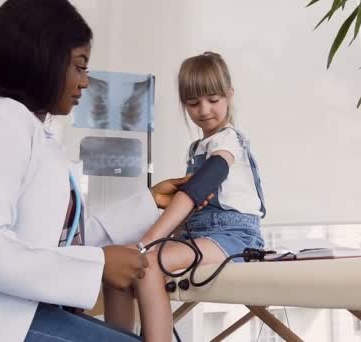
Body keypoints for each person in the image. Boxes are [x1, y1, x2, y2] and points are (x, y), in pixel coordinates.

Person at [0, 1, 208, 341]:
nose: (85, 82)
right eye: (79, 66)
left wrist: (149, 202)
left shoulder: (26, 131)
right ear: (41, 59)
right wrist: (98, 264)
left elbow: (59, 241)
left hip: (2, 309)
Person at [103, 51, 267, 341]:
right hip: (199, 234)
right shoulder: (196, 148)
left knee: (147, 262)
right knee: (120, 262)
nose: (203, 110)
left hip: (235, 236)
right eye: (193, 103)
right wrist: (137, 246)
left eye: (213, 100)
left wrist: (145, 244)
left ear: (229, 95)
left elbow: (197, 191)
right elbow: (191, 211)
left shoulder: (228, 141)